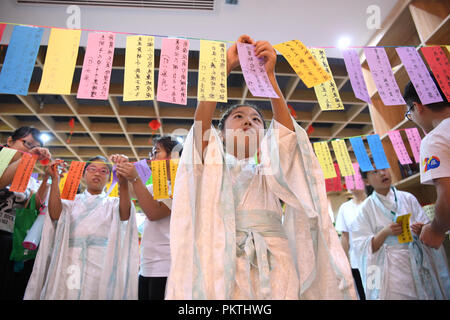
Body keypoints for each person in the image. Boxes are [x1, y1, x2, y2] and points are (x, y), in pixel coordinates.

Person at [165, 35, 356, 299]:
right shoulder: (211, 167)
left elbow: (288, 140)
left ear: (264, 138)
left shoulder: (270, 173)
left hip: (276, 259)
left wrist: (270, 79)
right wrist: (224, 70)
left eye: (256, 120)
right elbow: (200, 130)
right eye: (238, 117)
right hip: (222, 259)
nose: (248, 122)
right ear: (220, 135)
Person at [24, 156, 139, 300]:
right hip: (71, 260)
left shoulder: (114, 203)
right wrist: (55, 181)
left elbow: (125, 215)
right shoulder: (72, 202)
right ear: (84, 174)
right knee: (68, 293)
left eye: (104, 171)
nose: (97, 173)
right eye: (92, 169)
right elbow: (54, 215)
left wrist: (123, 183)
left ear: (110, 178)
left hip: (101, 261)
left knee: (96, 294)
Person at [351, 165, 450, 300]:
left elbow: (427, 228)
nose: (382, 173)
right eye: (375, 172)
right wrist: (384, 233)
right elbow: (361, 248)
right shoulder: (364, 209)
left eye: (384, 168)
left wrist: (422, 229)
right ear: (366, 180)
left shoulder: (408, 198)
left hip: (416, 261)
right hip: (389, 270)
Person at [115, 136, 182, 300]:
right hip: (146, 265)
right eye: (151, 152)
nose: (151, 157)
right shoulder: (153, 187)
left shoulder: (182, 186)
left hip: (168, 266)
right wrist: (122, 172)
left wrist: (135, 178)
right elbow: (126, 196)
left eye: (157, 152)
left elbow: (154, 213)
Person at [0, 126, 51, 300]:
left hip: (13, 239)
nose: (30, 151)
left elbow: (33, 206)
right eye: (27, 144)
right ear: (10, 141)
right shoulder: (2, 158)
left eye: (34, 148)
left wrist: (48, 178)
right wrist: (27, 158)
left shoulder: (27, 175)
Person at [403, 77, 450, 249]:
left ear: (417, 107)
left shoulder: (434, 139)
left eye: (409, 113)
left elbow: (448, 197)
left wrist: (436, 230)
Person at [335, 188, 367, 300]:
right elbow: (345, 237)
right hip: (356, 263)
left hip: (376, 259)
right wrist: (345, 264)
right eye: (349, 179)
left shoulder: (372, 202)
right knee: (363, 294)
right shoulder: (345, 208)